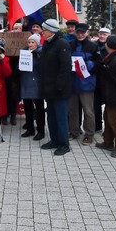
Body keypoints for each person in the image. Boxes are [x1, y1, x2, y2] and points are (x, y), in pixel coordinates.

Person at [39, 19, 72, 156]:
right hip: (48, 87)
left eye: (44, 30)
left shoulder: (62, 43)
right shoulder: (47, 43)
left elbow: (65, 67)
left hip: (59, 89)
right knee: (51, 116)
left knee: (61, 117)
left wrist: (59, 85)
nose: (42, 32)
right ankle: (54, 140)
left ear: (51, 30)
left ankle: (64, 144)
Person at [69, 23, 98, 145]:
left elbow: (98, 63)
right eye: (78, 32)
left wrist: (90, 65)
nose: (80, 35)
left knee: (88, 111)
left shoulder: (92, 46)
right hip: (72, 82)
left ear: (87, 33)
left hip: (87, 83)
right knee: (72, 110)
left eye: (82, 32)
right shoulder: (70, 45)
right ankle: (74, 131)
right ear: (75, 33)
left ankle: (89, 134)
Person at [20, 33, 45, 140]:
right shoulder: (25, 52)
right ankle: (30, 128)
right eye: (29, 42)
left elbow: (43, 67)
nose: (30, 44)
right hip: (26, 82)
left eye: (32, 42)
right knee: (27, 107)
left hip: (37, 84)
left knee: (39, 108)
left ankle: (41, 130)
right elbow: (20, 66)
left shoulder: (41, 53)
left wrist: (36, 56)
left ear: (37, 43)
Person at [93, 27, 111, 132]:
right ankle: (98, 125)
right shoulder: (94, 45)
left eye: (105, 34)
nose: (102, 36)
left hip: (106, 80)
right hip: (96, 79)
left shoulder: (110, 47)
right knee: (96, 104)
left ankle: (108, 127)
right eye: (100, 34)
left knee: (108, 104)